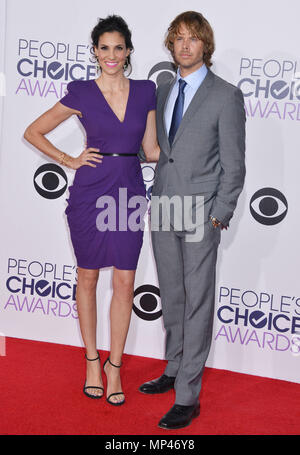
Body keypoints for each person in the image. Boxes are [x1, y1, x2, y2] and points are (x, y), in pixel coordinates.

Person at [24, 15, 159, 406]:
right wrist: (69, 158)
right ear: (95, 52)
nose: (111, 55)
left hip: (130, 193)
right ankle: (90, 361)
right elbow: (33, 131)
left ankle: (114, 367)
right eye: (104, 48)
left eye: (119, 47)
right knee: (87, 278)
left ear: (128, 51)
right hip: (89, 193)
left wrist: (194, 157)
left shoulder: (146, 90)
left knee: (123, 283)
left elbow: (150, 150)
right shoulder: (82, 92)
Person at [139, 11, 246, 429]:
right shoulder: (164, 89)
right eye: (178, 38)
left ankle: (188, 396)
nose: (185, 46)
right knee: (174, 296)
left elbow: (234, 166)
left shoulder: (225, 95)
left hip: (203, 215)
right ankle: (173, 368)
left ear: (206, 45)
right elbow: (161, 149)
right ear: (171, 44)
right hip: (164, 208)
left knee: (198, 302)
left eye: (193, 39)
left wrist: (219, 217)